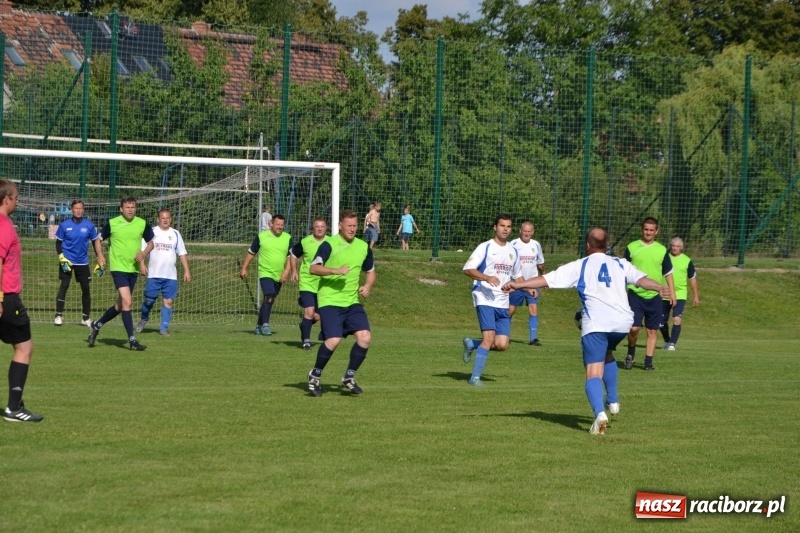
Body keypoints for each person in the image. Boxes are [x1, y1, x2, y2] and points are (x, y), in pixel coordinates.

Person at [503, 228, 671, 435]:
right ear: (607, 244)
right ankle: (613, 399)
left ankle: (600, 415)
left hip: (597, 323)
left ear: (587, 245)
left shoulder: (581, 265)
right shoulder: (619, 263)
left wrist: (517, 285)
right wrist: (658, 287)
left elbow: (546, 279)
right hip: (621, 323)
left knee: (592, 370)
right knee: (608, 354)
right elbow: (640, 279)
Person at [306, 210, 375, 397]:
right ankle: (315, 375)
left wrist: (368, 285)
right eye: (349, 225)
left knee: (365, 337)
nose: (352, 229)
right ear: (340, 226)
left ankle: (349, 377)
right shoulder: (329, 245)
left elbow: (370, 271)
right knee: (334, 340)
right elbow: (313, 268)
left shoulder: (363, 247)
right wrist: (334, 271)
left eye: (355, 225)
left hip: (352, 302)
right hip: (329, 300)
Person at [461, 214, 523, 386]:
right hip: (484, 297)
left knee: (502, 344)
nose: (505, 229)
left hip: (502, 301)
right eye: (502, 225)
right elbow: (468, 269)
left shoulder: (513, 251)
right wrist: (486, 277)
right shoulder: (485, 247)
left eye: (508, 226)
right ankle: (474, 378)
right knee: (489, 339)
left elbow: (518, 276)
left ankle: (472, 344)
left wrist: (530, 287)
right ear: (495, 227)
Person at [0, 180, 43, 422]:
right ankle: (14, 409)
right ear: (6, 199)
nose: (17, 201)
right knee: (24, 347)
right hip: (7, 298)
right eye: (15, 197)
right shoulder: (3, 226)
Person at [87, 198, 155, 351]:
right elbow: (98, 239)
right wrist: (100, 255)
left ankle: (96, 325)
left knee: (120, 305)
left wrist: (143, 254)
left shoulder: (142, 223)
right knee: (128, 302)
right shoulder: (113, 223)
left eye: (133, 207)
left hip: (133, 269)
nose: (130, 209)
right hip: (118, 268)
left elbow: (151, 243)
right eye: (127, 207)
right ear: (121, 209)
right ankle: (132, 341)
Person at [624, 217, 676, 371]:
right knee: (634, 328)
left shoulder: (661, 250)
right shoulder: (632, 247)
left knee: (652, 330)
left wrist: (672, 293)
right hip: (635, 294)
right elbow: (622, 271)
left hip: (655, 296)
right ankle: (630, 354)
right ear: (642, 229)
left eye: (651, 230)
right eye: (646, 229)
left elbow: (668, 273)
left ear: (656, 231)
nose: (648, 232)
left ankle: (648, 362)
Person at [135, 209, 191, 337]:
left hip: (170, 276)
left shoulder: (176, 234)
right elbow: (143, 251)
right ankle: (144, 318)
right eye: (163, 218)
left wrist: (187, 271)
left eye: (168, 218)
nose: (165, 220)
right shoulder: (152, 232)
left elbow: (182, 253)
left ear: (171, 219)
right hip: (154, 274)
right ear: (158, 219)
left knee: (169, 302)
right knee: (149, 301)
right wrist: (142, 265)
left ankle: (164, 328)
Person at [53, 199, 105, 327]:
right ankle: (58, 315)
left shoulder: (89, 225)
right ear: (72, 210)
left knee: (86, 289)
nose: (78, 210)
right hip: (67, 261)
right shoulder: (64, 225)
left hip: (82, 262)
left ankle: (85, 318)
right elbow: (58, 243)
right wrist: (61, 257)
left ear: (83, 210)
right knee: (64, 286)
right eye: (75, 208)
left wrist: (100, 256)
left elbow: (95, 241)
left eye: (80, 208)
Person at [240, 214, 291, 336]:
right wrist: (244, 268)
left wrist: (286, 272)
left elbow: (291, 258)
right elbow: (251, 252)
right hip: (265, 273)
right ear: (271, 224)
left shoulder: (288, 238)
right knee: (269, 296)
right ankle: (265, 325)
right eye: (277, 224)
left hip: (279, 275)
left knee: (269, 300)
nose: (279, 227)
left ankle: (258, 324)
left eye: (282, 225)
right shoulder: (262, 237)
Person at [289, 217, 328, 349]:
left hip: (323, 284)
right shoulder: (305, 242)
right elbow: (293, 254)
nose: (320, 228)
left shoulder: (330, 242)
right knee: (309, 312)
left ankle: (304, 325)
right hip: (307, 282)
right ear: (313, 228)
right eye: (317, 226)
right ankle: (306, 341)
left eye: (322, 226)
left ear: (326, 228)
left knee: (316, 316)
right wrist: (294, 271)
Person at [509, 220, 546, 346]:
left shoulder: (536, 245)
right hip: (516, 283)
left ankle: (533, 339)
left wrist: (544, 278)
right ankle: (503, 334)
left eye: (529, 231)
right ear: (520, 231)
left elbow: (540, 263)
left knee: (533, 308)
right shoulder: (513, 244)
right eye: (524, 231)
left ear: (533, 232)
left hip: (533, 283)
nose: (526, 233)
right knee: (510, 310)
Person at [660, 237, 700, 351]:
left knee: (676, 319)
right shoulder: (664, 258)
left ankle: (672, 344)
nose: (675, 248)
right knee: (661, 321)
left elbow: (692, 278)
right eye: (673, 245)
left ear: (681, 247)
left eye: (677, 246)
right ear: (670, 246)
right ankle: (667, 340)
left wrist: (696, 296)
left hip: (680, 294)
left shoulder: (687, 260)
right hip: (665, 292)